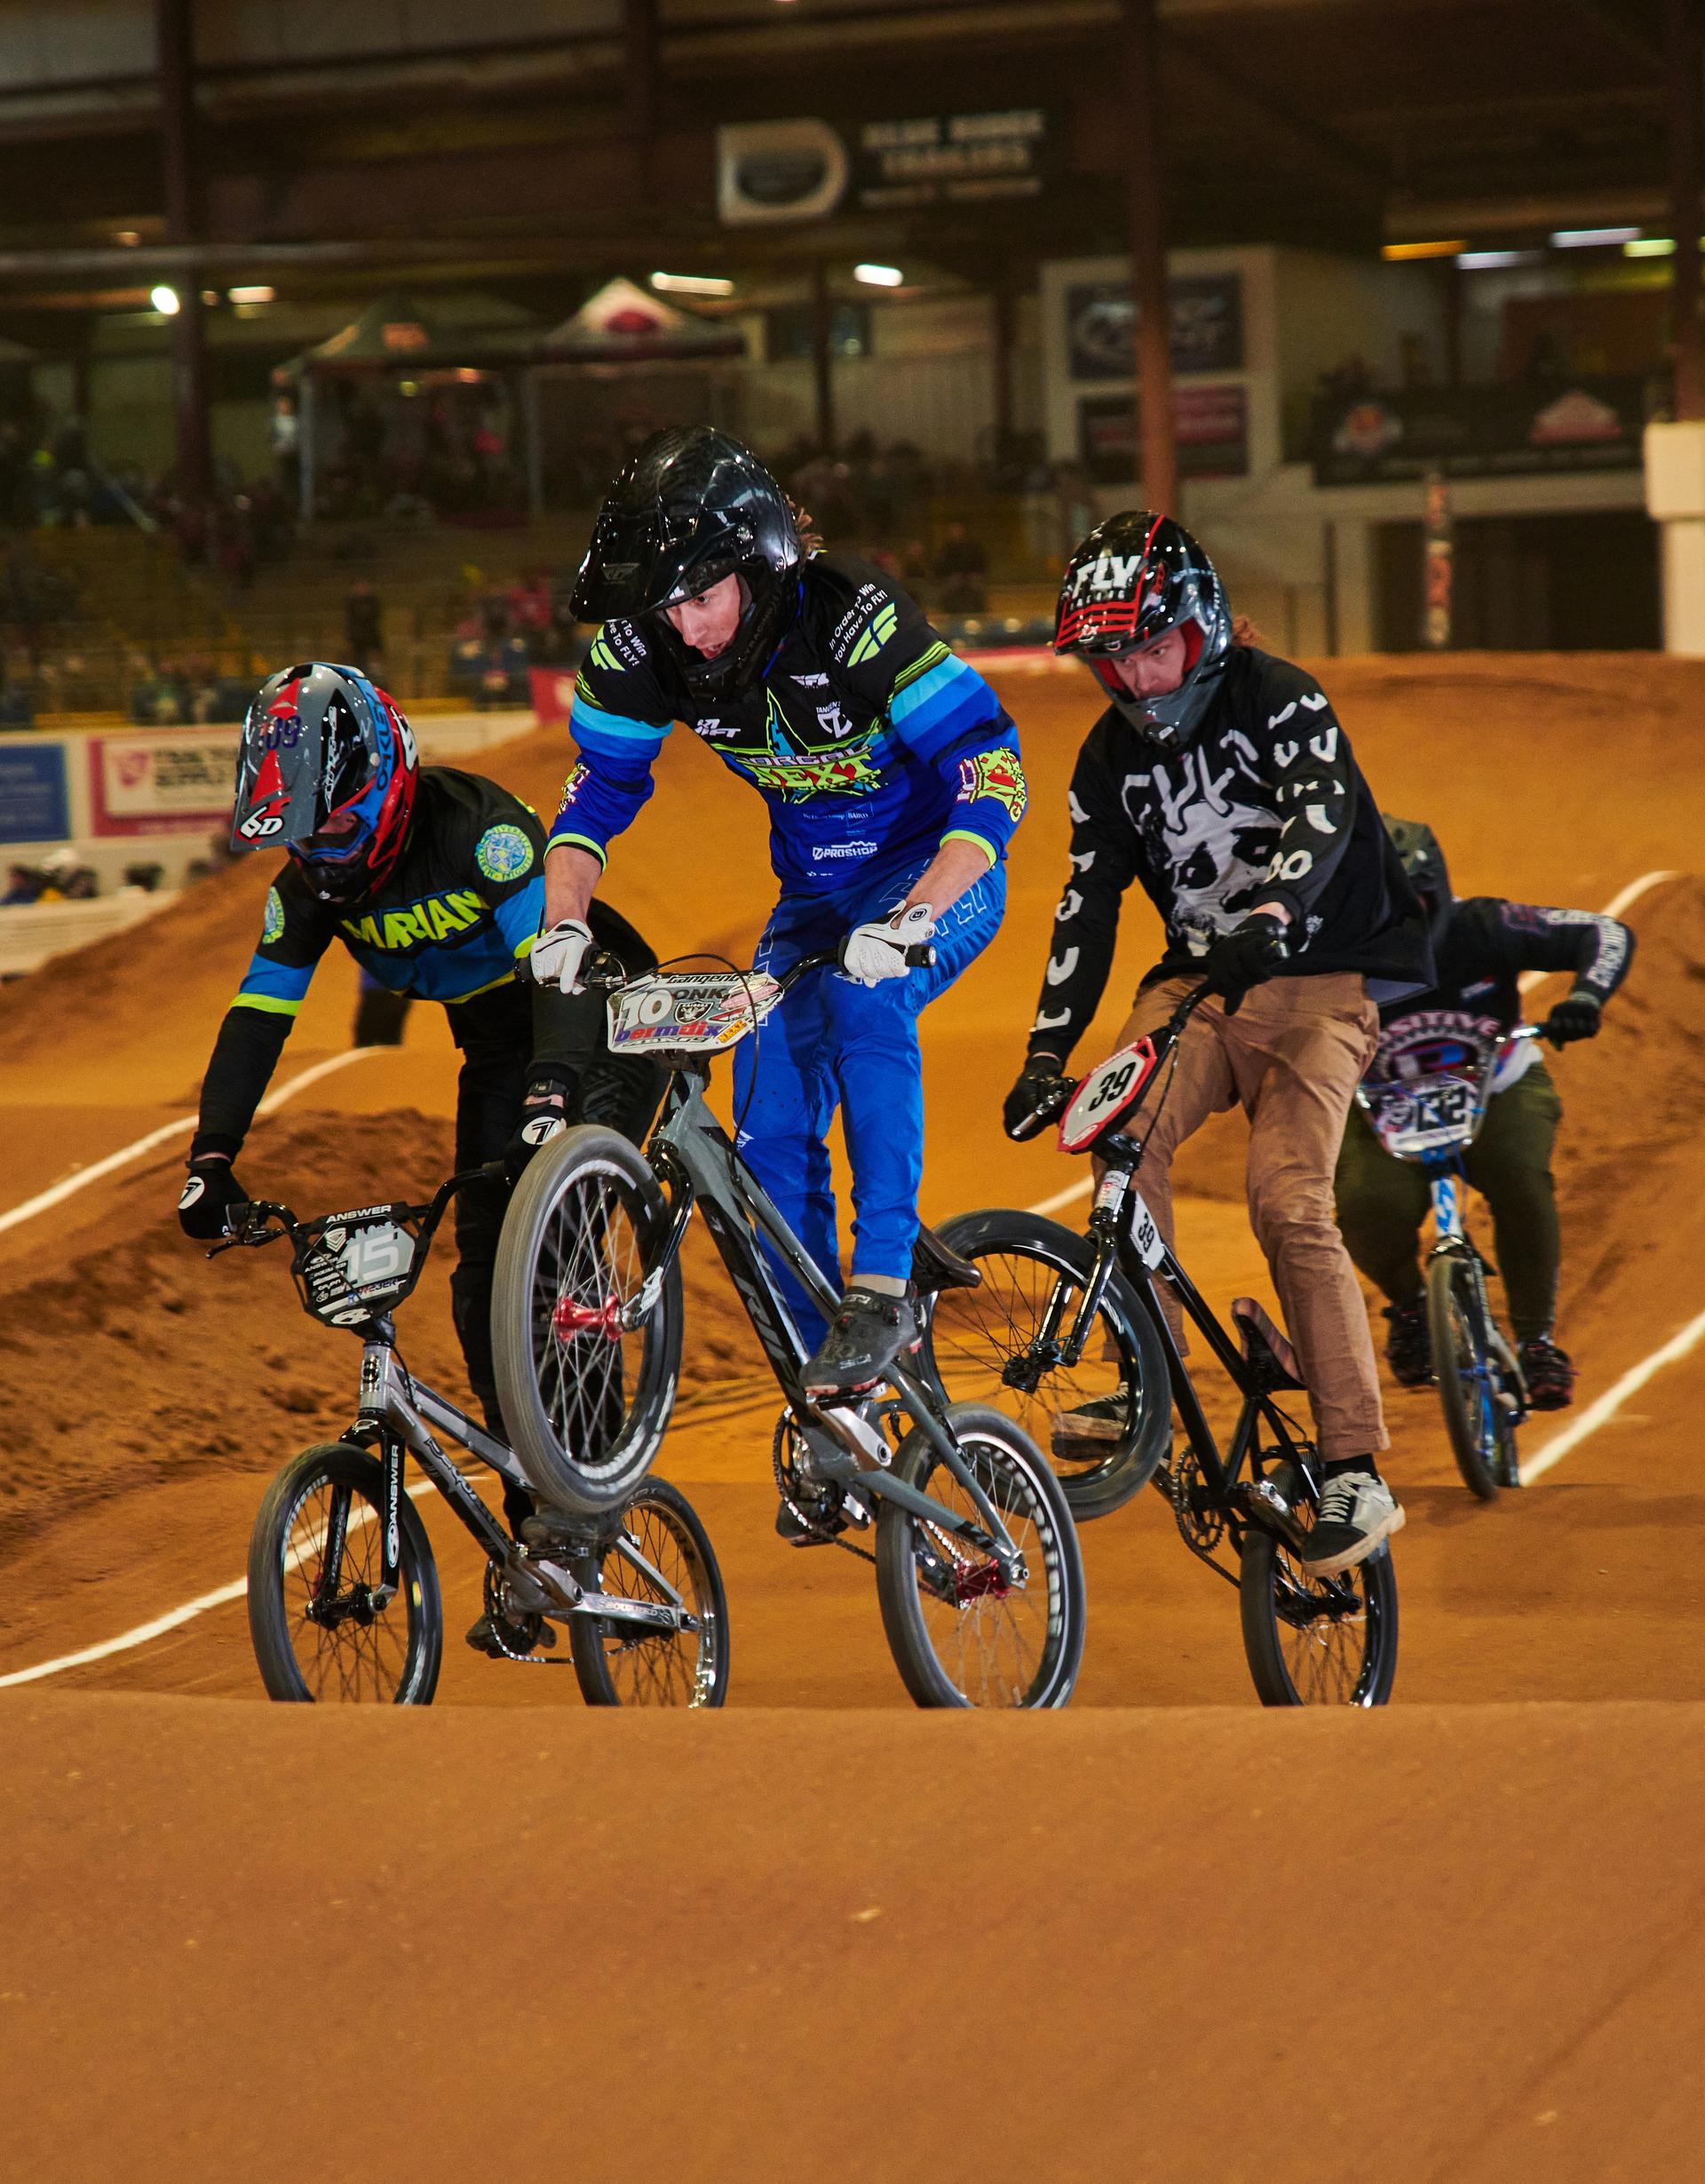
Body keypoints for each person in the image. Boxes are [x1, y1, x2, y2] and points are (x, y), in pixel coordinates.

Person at [535, 425, 1026, 1412]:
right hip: (813, 900)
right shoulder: (646, 647)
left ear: (757, 565)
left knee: (865, 998)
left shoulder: (850, 614)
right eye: (666, 606)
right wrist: (563, 921)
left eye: (701, 598)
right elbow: (595, 797)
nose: (686, 629)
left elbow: (993, 767)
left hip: (934, 876)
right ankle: (830, 1390)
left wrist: (917, 915)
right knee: (765, 1110)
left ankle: (881, 1285)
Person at [175, 661, 662, 1637]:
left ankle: (594, 1489)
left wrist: (554, 1094)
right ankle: (542, 1537)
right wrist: (212, 1158)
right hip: (497, 1049)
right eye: (303, 838)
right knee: (480, 1292)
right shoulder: (309, 889)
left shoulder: (481, 832)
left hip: (597, 1016)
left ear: (389, 784)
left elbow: (558, 977)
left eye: (336, 829)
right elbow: (258, 1019)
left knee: (547, 1249)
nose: (322, 856)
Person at [1002, 512, 1431, 1579]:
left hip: (1321, 979)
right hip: (1197, 985)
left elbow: (1322, 815)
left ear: (1203, 627)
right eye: (1114, 660)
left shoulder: (1279, 696)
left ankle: (1354, 1465)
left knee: (1287, 1199)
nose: (1138, 678)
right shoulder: (1107, 759)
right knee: (1114, 1139)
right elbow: (1087, 904)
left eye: (1156, 647)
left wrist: (1274, 915)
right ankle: (1149, 1372)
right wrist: (1047, 1052)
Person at [1335, 817, 1633, 1410]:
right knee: (1365, 1207)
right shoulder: (1328, 957)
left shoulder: (1484, 925)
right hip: (1379, 1105)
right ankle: (1412, 1309)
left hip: (1499, 1085)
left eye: (1414, 903)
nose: (1404, 919)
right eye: (1385, 907)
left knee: (1521, 1179)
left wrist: (1585, 997)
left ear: (1439, 891)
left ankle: (1537, 1341)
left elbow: (1604, 932)